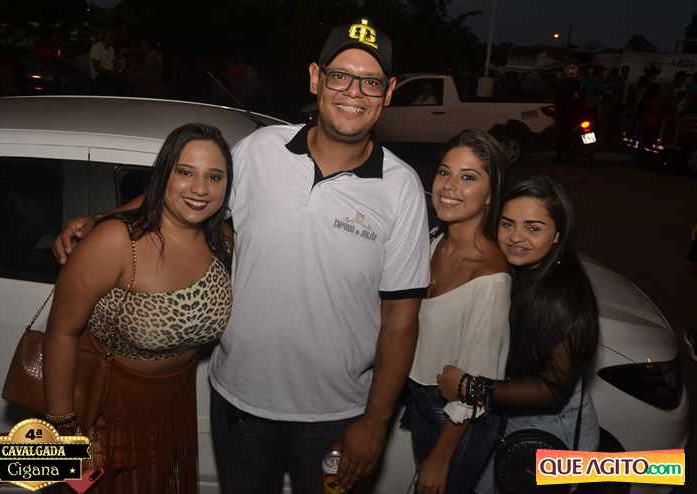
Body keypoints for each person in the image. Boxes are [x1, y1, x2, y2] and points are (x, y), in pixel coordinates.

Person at [53, 17, 430, 494]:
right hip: (239, 404)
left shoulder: (401, 189)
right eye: (340, 76)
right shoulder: (259, 149)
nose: (354, 92)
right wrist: (103, 219)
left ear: (388, 92)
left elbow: (401, 321)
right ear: (316, 78)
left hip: (336, 416)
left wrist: (375, 422)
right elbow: (186, 194)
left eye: (370, 82)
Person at [44, 123, 234, 493]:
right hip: (100, 410)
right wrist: (63, 432)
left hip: (167, 411)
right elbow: (61, 333)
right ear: (164, 175)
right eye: (185, 172)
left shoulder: (222, 242)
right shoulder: (117, 243)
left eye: (214, 176)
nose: (200, 188)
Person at [437, 175, 600, 494]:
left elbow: (553, 390)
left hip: (548, 431)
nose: (516, 237)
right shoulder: (513, 271)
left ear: (558, 234)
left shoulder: (560, 297)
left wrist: (469, 387)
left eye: (533, 228)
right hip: (507, 417)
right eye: (507, 223)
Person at [408, 129, 511, 494]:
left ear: (491, 195)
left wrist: (440, 459)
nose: (449, 185)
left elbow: (477, 385)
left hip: (456, 422)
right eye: (444, 172)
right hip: (419, 402)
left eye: (468, 177)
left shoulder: (491, 280)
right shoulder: (434, 240)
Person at [630, 82, 664, 170]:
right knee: (643, 144)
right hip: (647, 124)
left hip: (642, 123)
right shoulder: (652, 100)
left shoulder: (645, 99)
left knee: (642, 144)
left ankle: (636, 163)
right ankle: (635, 163)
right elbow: (658, 111)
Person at [553, 64, 581, 162]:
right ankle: (568, 153)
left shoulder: (561, 83)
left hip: (564, 112)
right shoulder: (577, 83)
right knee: (570, 133)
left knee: (562, 134)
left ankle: (560, 156)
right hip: (573, 112)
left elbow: (555, 96)